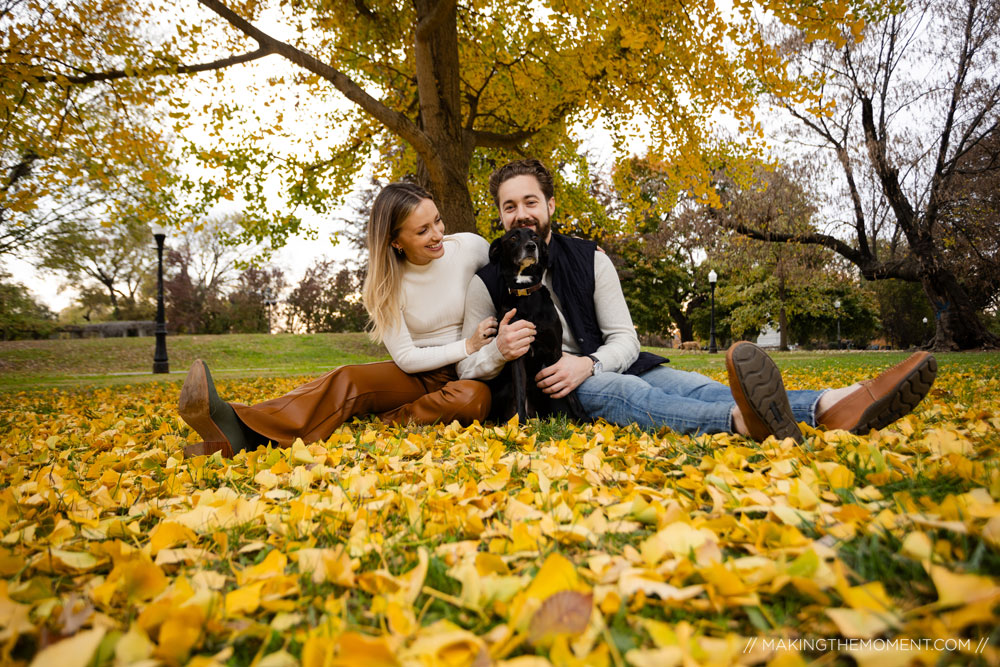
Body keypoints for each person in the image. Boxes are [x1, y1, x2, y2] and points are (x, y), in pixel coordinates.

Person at [457, 158, 937, 441]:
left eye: (530, 202)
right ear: (499, 215)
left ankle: (832, 405)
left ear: (551, 206)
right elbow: (466, 366)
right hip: (556, 389)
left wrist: (592, 364)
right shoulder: (487, 279)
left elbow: (624, 338)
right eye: (509, 206)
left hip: (605, 367)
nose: (521, 215)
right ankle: (741, 424)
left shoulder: (590, 258)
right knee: (634, 397)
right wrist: (496, 351)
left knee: (695, 383)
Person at [178, 182, 498, 458]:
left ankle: (390, 419)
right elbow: (407, 357)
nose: (438, 234)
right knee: (348, 379)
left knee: (472, 399)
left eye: (438, 221)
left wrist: (477, 350)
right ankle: (236, 424)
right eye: (423, 230)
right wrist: (466, 345)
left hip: (471, 372)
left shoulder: (471, 248)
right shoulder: (385, 284)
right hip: (419, 373)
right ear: (396, 241)